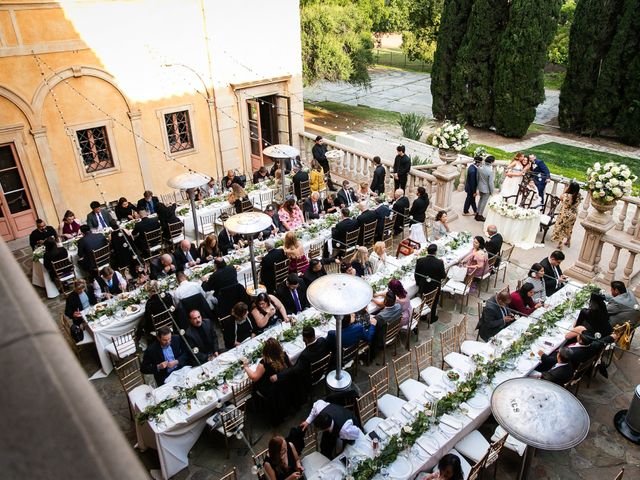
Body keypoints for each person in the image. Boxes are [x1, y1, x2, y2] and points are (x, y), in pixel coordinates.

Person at [270, 326, 329, 400]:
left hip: (311, 377)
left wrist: (278, 376)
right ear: (314, 334)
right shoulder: (322, 340)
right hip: (323, 369)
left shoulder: (305, 355)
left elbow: (295, 369)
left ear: (304, 339)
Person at [242, 338, 293, 425]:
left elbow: (254, 377)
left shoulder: (264, 363)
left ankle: (257, 406)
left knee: (253, 385)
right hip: (282, 385)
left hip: (271, 390)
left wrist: (246, 367)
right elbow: (291, 367)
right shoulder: (283, 355)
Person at [414, 243, 446, 322]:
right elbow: (443, 276)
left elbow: (416, 274)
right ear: (435, 252)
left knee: (423, 299)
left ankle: (423, 316)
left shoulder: (420, 260)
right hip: (434, 287)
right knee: (434, 301)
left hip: (423, 286)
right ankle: (432, 318)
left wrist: (418, 283)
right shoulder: (439, 262)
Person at [551, 181, 582, 249]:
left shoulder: (566, 195)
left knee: (561, 228)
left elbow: (561, 198)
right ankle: (568, 241)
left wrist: (565, 190)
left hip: (565, 214)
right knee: (569, 228)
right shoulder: (579, 196)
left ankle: (560, 244)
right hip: (573, 214)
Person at [476, 155, 495, 222]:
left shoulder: (480, 167)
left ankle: (477, 213)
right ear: (492, 162)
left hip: (480, 187)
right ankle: (480, 216)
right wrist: (492, 192)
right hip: (486, 190)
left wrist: (477, 188)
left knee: (480, 200)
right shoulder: (490, 171)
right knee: (483, 203)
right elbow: (491, 183)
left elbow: (477, 178)